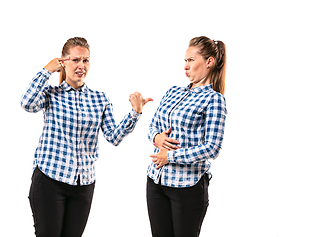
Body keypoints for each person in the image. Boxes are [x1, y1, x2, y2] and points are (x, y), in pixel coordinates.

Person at [21, 37, 152, 237]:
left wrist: (135, 113)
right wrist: (46, 70)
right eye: (76, 60)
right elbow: (27, 104)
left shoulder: (100, 98)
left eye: (86, 60)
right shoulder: (51, 93)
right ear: (63, 62)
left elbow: (113, 137)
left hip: (83, 185)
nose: (81, 66)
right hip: (49, 180)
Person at [147, 36, 227, 237]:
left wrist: (170, 156)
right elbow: (153, 125)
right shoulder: (173, 91)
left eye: (191, 60)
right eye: (185, 60)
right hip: (156, 181)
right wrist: (156, 137)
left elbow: (212, 148)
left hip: (187, 187)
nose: (186, 66)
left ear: (209, 62)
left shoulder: (214, 99)